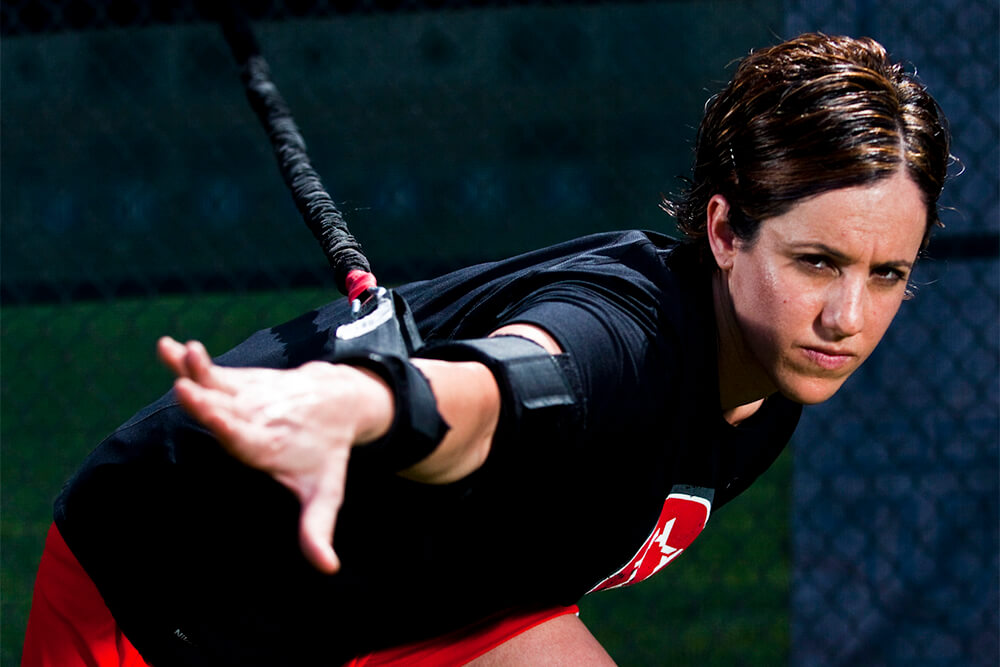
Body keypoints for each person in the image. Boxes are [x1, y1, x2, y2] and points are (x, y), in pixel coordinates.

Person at [23, 32, 950, 666]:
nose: (847, 315)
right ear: (723, 230)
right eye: (817, 260)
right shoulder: (627, 337)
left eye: (887, 273)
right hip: (178, 585)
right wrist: (367, 407)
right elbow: (512, 388)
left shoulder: (774, 362)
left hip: (429, 597)